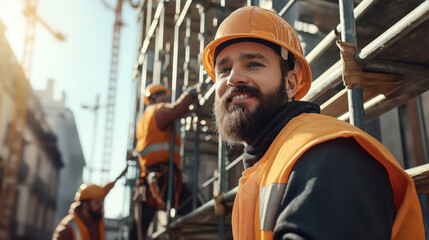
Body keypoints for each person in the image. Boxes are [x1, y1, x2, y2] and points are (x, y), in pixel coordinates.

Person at [201, 6, 425, 240]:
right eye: (224, 69)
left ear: (290, 84)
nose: (234, 78)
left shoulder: (326, 155)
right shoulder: (267, 164)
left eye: (254, 64)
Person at [130, 83, 199, 239]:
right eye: (163, 95)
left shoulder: (143, 120)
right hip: (163, 178)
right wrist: (191, 93)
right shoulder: (158, 110)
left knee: (138, 228)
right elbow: (177, 109)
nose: (167, 98)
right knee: (198, 213)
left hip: (151, 180)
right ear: (154, 98)